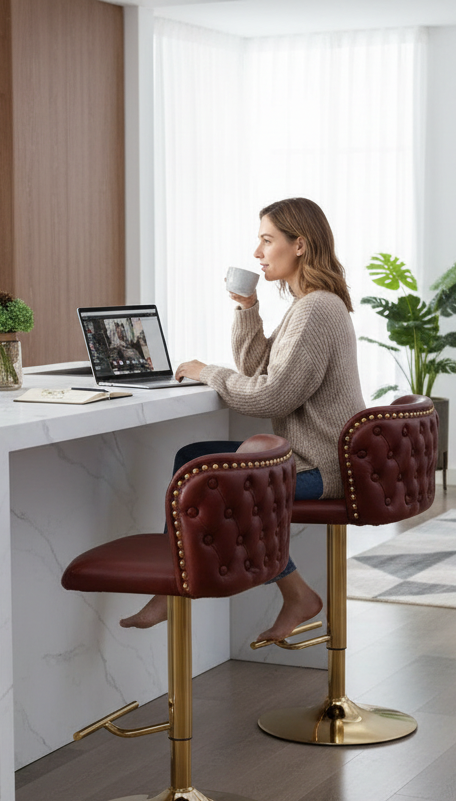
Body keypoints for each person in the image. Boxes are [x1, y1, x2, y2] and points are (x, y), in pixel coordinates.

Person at [119, 197, 366, 643]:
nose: (257, 253)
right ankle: (286, 591)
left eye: (267, 240)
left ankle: (180, 588)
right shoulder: (308, 306)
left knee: (209, 481)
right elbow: (257, 370)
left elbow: (270, 395)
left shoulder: (316, 309)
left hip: (319, 467)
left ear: (300, 245)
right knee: (193, 458)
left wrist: (207, 372)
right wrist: (247, 306)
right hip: (310, 458)